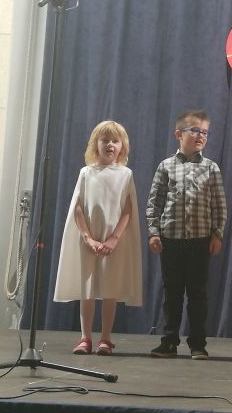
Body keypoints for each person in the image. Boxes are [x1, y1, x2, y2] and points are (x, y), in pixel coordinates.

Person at [54, 120, 142, 356]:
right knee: (88, 289)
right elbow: (78, 206)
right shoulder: (86, 173)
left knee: (110, 289)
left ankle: (105, 338)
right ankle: (85, 338)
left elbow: (128, 209)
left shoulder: (125, 174)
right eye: (105, 140)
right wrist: (87, 237)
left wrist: (114, 238)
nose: (110, 145)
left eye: (115, 141)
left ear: (122, 146)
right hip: (89, 239)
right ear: (96, 144)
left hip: (114, 241)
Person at [146, 109, 227, 360]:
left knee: (197, 294)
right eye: (195, 130)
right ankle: (169, 341)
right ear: (179, 134)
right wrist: (153, 232)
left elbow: (219, 205)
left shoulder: (211, 168)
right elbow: (155, 202)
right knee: (172, 293)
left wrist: (217, 234)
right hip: (171, 238)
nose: (201, 136)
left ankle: (198, 344)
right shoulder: (166, 166)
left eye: (205, 132)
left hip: (200, 240)